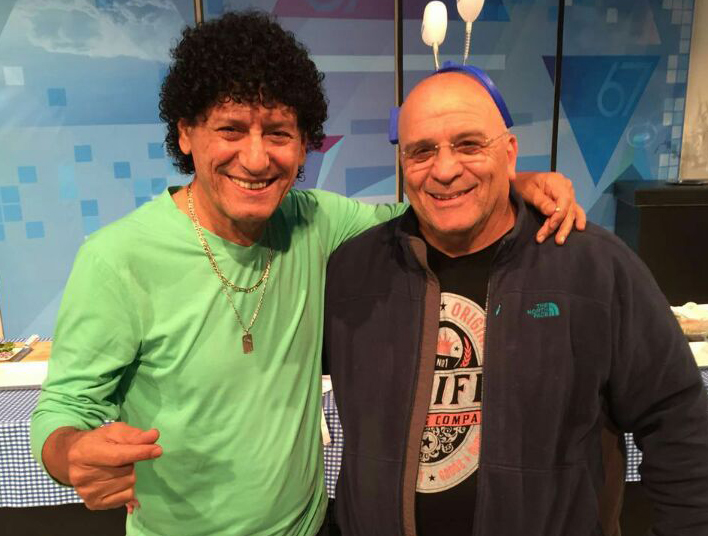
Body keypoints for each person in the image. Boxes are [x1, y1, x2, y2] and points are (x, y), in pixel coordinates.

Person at [30, 11, 583, 536]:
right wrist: (71, 452)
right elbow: (64, 409)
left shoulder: (317, 222)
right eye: (230, 129)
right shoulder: (117, 258)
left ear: (302, 145)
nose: (255, 158)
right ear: (186, 134)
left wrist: (513, 182)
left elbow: (431, 210)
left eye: (277, 133)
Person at [323, 65, 708, 536]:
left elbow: (679, 421)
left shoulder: (594, 268)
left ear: (509, 154)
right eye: (422, 151)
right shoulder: (352, 271)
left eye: (469, 145)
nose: (445, 170)